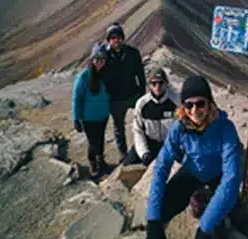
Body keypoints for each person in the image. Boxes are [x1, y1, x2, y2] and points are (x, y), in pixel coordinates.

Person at [145, 75, 242, 239]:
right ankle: (198, 199)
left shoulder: (225, 128)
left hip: (218, 174)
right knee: (162, 209)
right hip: (193, 171)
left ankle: (209, 209)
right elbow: (161, 167)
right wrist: (153, 218)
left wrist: (204, 228)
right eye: (189, 105)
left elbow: (231, 180)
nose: (194, 110)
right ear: (183, 107)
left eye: (200, 104)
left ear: (210, 103)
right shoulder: (179, 128)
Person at [101, 23, 146, 160]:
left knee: (143, 120)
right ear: (108, 40)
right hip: (115, 99)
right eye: (113, 38)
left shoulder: (133, 53)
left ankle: (145, 148)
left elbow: (140, 74)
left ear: (123, 38)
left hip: (133, 95)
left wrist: (142, 93)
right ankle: (123, 153)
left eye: (119, 37)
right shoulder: (104, 56)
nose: (116, 40)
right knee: (118, 127)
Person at [124, 67, 180, 166]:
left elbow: (183, 128)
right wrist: (144, 153)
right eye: (154, 83)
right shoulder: (142, 104)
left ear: (166, 83)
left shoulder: (176, 100)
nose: (157, 86)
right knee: (128, 165)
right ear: (149, 85)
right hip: (150, 143)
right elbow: (138, 131)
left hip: (170, 143)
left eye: (161, 83)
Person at [72, 44, 111, 177]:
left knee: (100, 139)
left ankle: (101, 161)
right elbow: (77, 98)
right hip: (88, 118)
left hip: (103, 115)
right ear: (92, 59)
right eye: (97, 58)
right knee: (93, 142)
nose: (100, 62)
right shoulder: (83, 77)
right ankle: (93, 163)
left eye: (102, 59)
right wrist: (76, 118)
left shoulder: (105, 74)